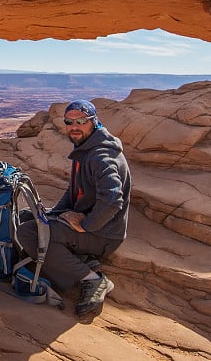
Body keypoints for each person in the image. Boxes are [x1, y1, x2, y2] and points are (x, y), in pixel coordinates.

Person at [17, 99, 131, 316]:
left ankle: (94, 280)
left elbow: (112, 199)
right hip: (95, 226)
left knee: (29, 233)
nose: (74, 127)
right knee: (27, 218)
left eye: (81, 121)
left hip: (104, 233)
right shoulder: (87, 148)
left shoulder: (101, 156)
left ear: (94, 121)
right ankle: (75, 260)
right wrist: (54, 213)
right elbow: (74, 191)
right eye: (69, 122)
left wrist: (87, 225)